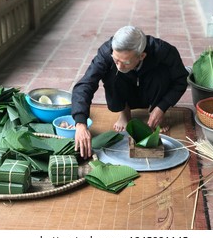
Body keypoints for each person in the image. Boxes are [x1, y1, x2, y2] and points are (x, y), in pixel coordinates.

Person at [71, 26, 189, 158]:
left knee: (162, 73)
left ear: (142, 56)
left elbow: (181, 80)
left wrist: (162, 106)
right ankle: (124, 114)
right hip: (126, 91)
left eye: (125, 62)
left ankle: (155, 112)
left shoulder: (163, 50)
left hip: (151, 91)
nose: (120, 66)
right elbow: (85, 84)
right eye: (116, 59)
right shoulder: (106, 52)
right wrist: (81, 123)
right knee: (112, 72)